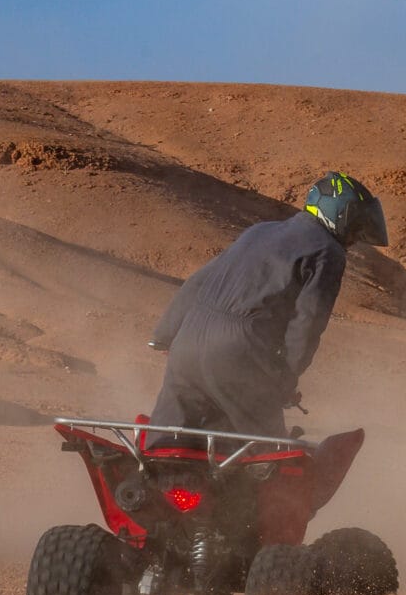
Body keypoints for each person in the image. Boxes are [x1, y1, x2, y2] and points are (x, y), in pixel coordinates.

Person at [147, 171, 390, 438]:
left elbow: (198, 282)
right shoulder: (326, 252)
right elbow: (307, 323)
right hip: (238, 352)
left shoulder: (259, 230)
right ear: (338, 214)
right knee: (263, 454)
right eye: (355, 223)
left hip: (187, 344)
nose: (355, 237)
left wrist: (166, 335)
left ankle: (143, 475)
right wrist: (285, 379)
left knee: (164, 442)